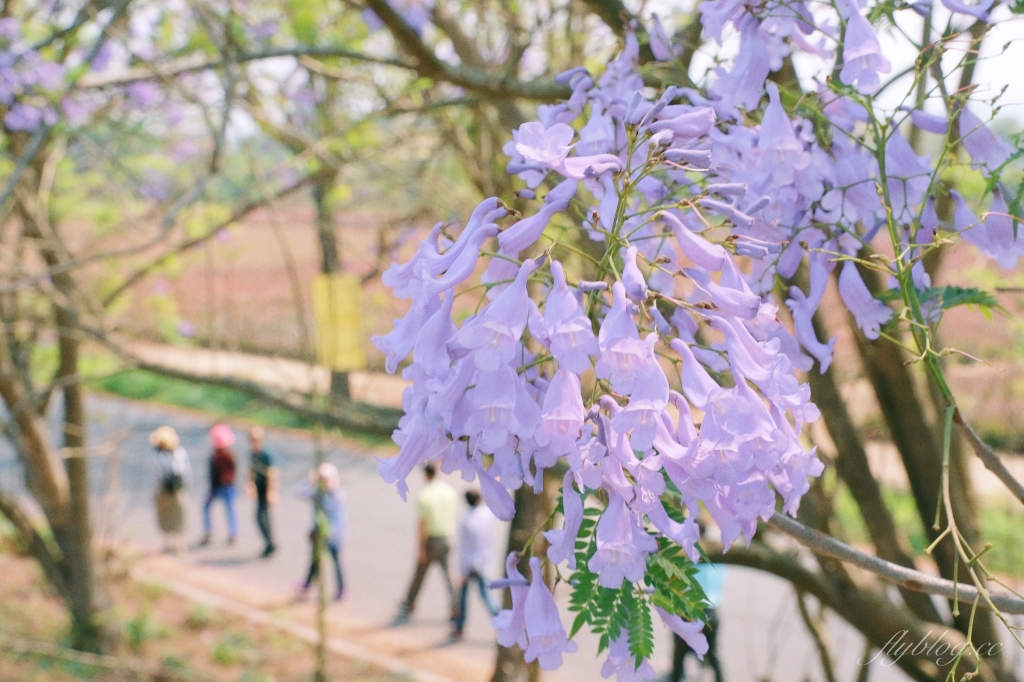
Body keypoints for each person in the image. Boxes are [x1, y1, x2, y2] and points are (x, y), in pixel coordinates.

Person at [393, 463, 459, 626]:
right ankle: (456, 607)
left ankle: (409, 602)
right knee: (449, 576)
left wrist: (421, 548)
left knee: (419, 574)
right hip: (448, 537)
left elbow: (422, 524)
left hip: (431, 540)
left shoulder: (424, 495)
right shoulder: (449, 491)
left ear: (425, 474)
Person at [450, 489, 500, 641]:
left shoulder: (467, 520)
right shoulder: (487, 515)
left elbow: (465, 548)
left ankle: (459, 626)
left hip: (471, 563)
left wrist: (463, 571)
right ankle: (502, 621)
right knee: (486, 596)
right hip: (484, 561)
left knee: (464, 597)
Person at [296, 462, 347, 601]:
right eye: (322, 480)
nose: (325, 482)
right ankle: (307, 584)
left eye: (327, 479)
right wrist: (309, 481)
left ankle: (341, 589)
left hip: (333, 536)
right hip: (319, 534)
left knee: (335, 562)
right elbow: (299, 493)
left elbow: (336, 517)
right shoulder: (318, 492)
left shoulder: (337, 494)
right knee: (315, 560)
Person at [670, 562, 725, 682]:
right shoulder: (719, 563)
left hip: (694, 612)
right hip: (713, 611)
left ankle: (677, 677)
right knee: (713, 655)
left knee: (679, 656)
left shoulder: (692, 562)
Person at [150, 426, 190, 553]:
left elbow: (157, 477)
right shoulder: (180, 453)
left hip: (164, 491)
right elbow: (187, 473)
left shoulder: (158, 457)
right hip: (179, 489)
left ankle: (169, 544)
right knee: (180, 516)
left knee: (166, 516)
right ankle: (181, 545)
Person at [199, 423, 238, 547]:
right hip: (227, 487)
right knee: (230, 510)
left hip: (219, 487)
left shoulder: (217, 457)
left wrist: (212, 489)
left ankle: (210, 532)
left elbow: (214, 475)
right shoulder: (230, 455)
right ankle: (233, 534)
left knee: (209, 508)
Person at [245, 426, 278, 557]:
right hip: (259, 487)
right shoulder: (253, 453)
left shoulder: (266, 454)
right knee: (261, 516)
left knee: (262, 516)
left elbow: (272, 474)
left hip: (266, 487)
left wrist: (271, 491)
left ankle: (270, 543)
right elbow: (251, 471)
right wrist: (250, 485)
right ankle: (269, 542)